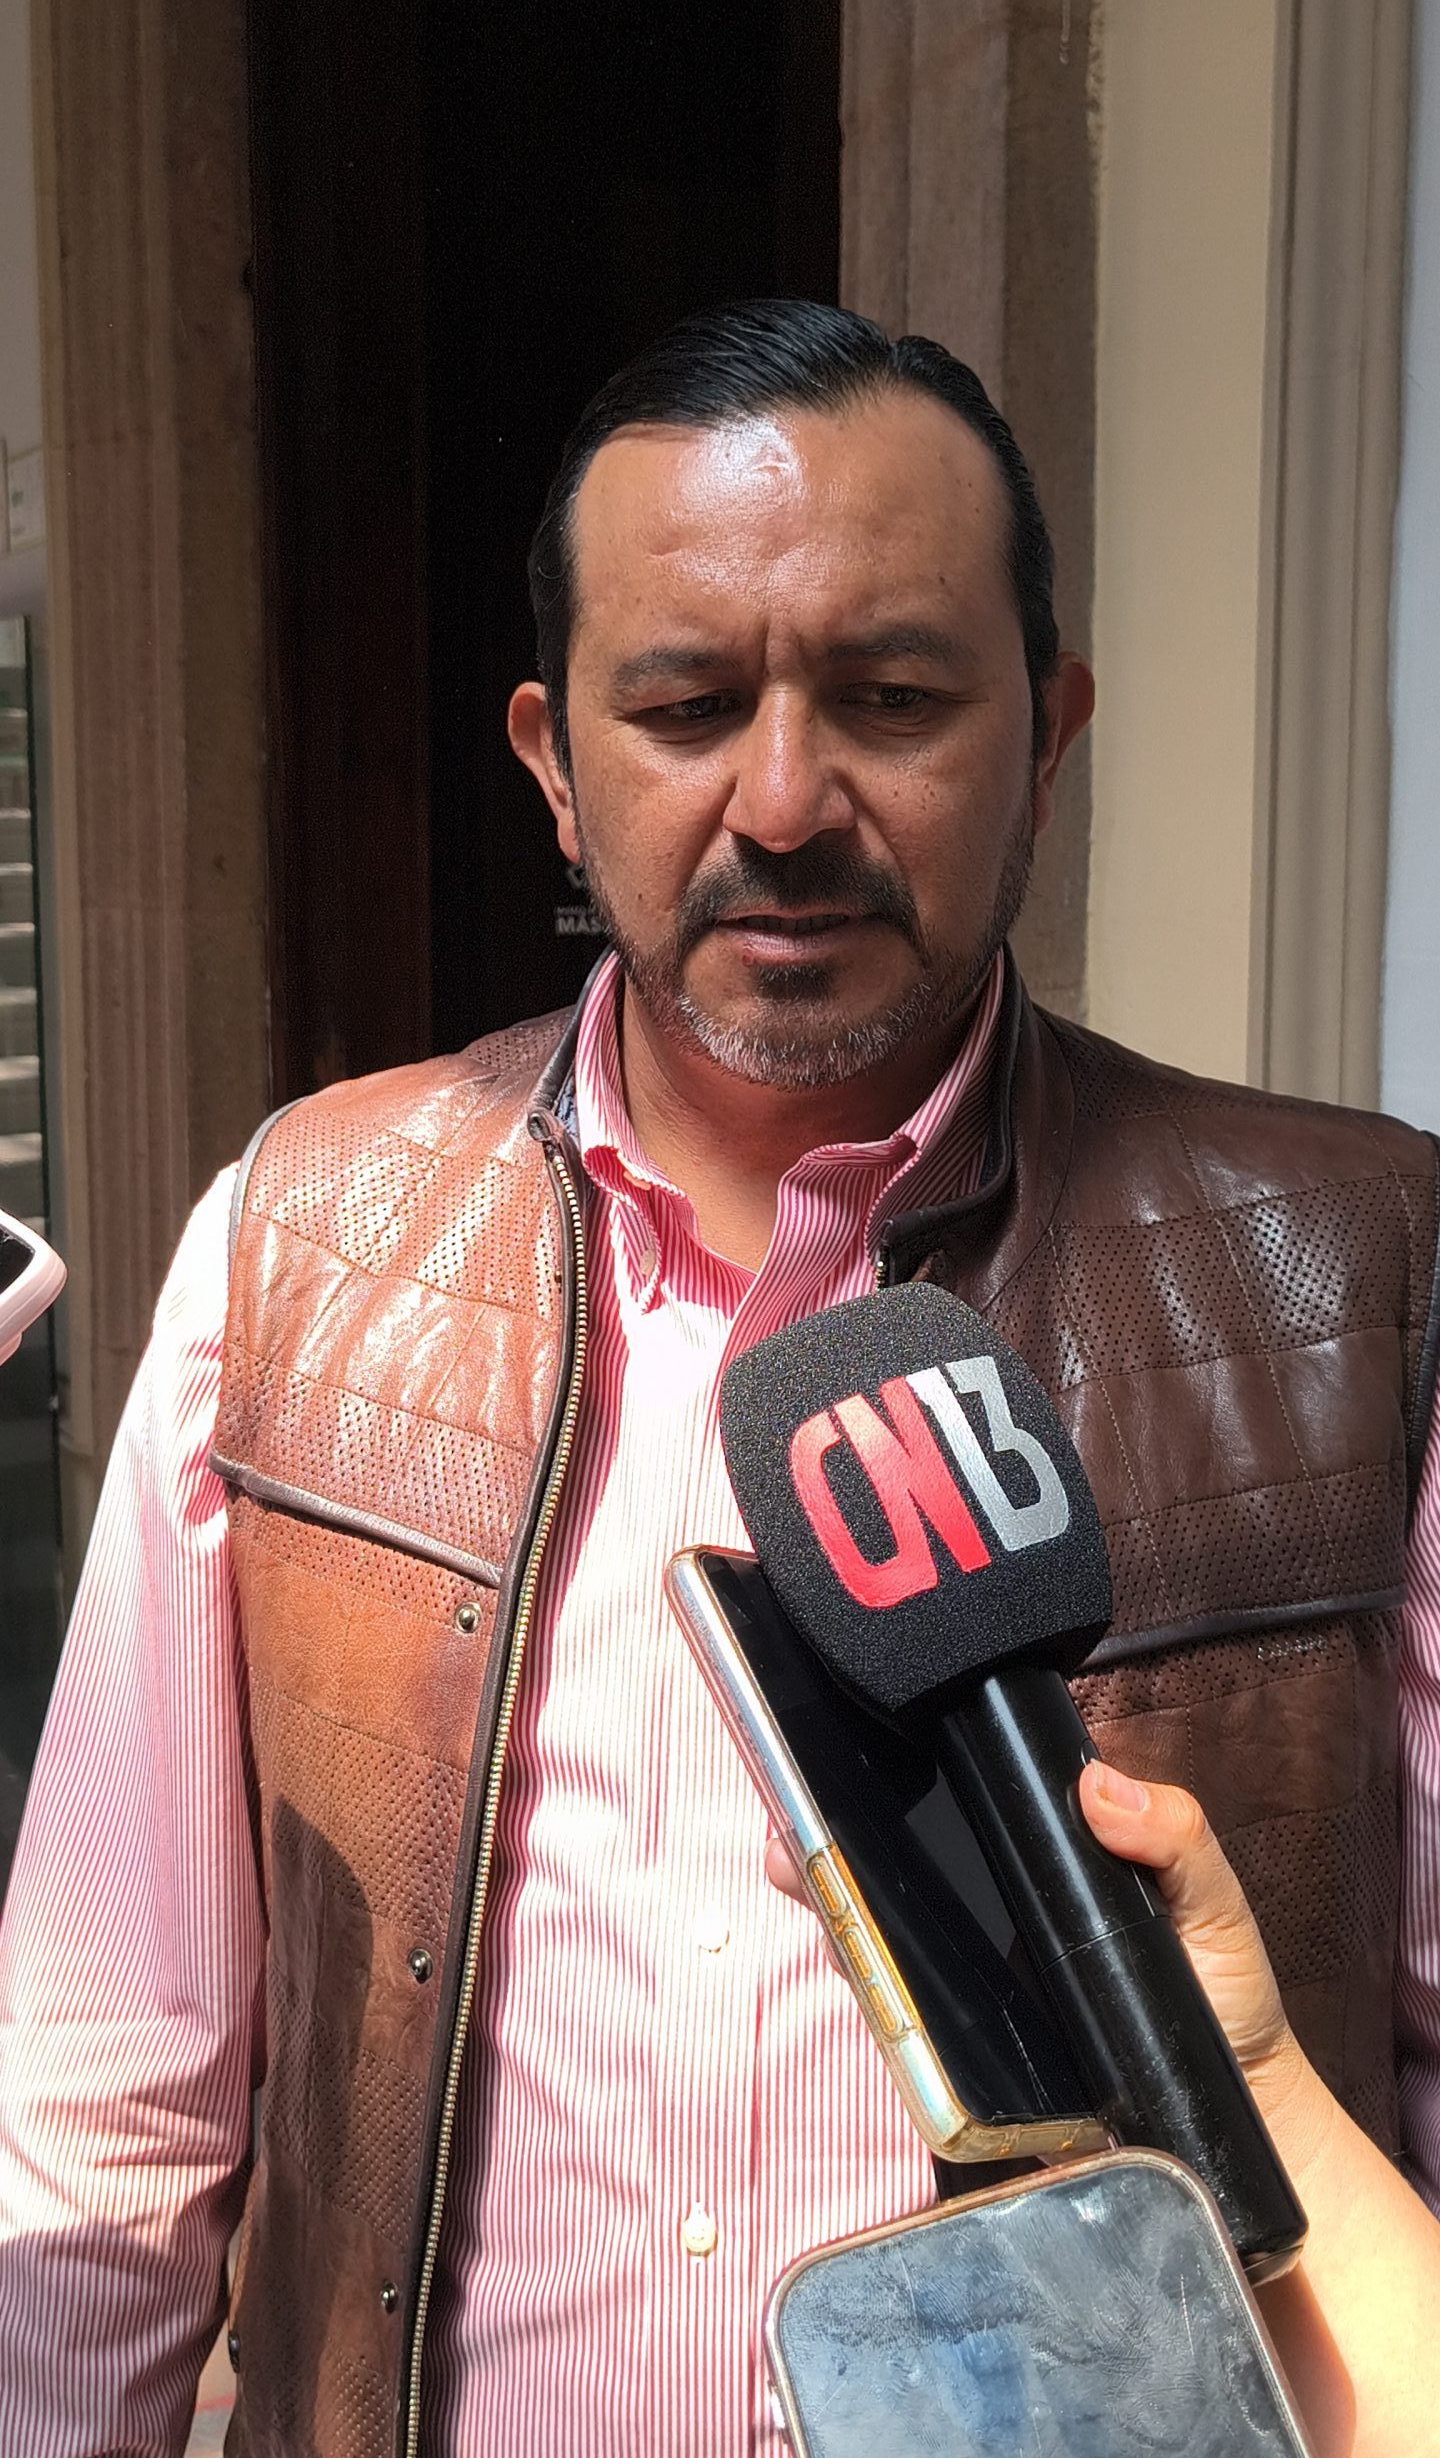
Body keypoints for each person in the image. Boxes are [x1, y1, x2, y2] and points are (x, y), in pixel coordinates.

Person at [0, 298, 1437, 2458]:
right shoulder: (295, 1243)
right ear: (553, 764)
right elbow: (107, 2092)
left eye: (893, 698)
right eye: (683, 707)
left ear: (1048, 732)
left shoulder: (1367, 1279)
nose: (782, 800)